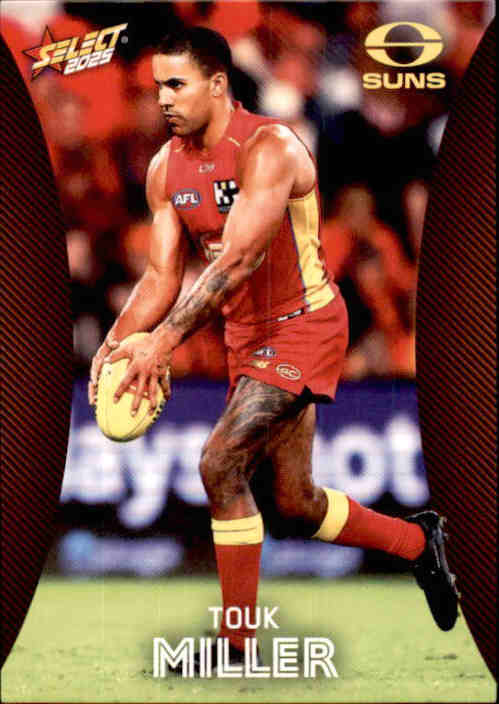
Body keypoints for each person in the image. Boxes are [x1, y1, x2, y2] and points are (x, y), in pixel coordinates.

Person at [89, 27, 458, 670]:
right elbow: (161, 276)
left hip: (303, 324)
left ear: (217, 84)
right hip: (245, 335)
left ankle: (236, 647)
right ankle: (417, 543)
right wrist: (117, 341)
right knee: (294, 504)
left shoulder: (269, 147)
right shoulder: (165, 168)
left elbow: (237, 260)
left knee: (220, 463)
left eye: (176, 85)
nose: (163, 99)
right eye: (157, 88)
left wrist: (163, 343)